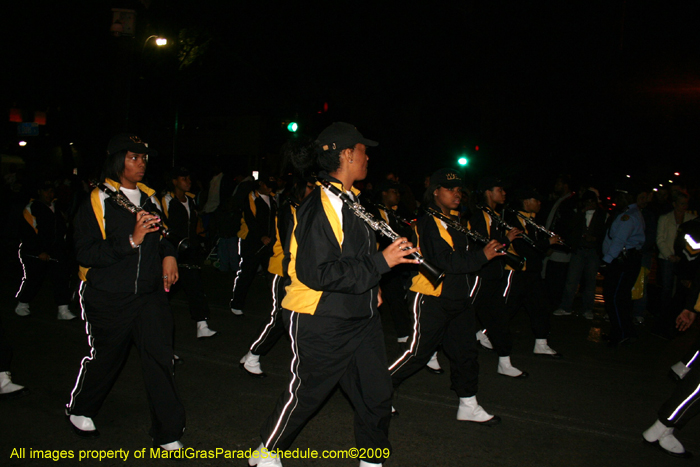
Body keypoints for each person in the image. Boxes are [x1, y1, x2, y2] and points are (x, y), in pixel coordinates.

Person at [247, 122, 417, 467]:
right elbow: (317, 272)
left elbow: (351, 257)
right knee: (309, 392)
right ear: (347, 154)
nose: (367, 157)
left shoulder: (349, 200)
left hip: (359, 313)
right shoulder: (320, 205)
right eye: (363, 150)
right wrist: (381, 263)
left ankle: (371, 461)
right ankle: (267, 450)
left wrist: (374, 286)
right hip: (320, 315)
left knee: (377, 393)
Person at [65, 133, 186, 450]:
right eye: (134, 157)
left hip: (149, 295)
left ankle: (168, 431)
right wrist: (130, 242)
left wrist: (169, 254)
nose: (141, 163)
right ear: (117, 160)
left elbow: (163, 236)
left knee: (160, 358)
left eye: (144, 157)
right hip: (109, 295)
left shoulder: (150, 197)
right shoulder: (97, 199)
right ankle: (81, 408)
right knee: (107, 357)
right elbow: (85, 253)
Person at [389, 168, 504, 424]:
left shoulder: (455, 220)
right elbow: (444, 261)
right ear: (436, 192)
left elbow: (463, 258)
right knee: (417, 353)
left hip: (458, 298)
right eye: (450, 189)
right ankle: (377, 392)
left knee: (465, 353)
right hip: (431, 297)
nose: (456, 194)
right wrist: (482, 256)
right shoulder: (429, 222)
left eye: (459, 189)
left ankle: (468, 404)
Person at [239, 176, 313, 377]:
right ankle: (254, 354)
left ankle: (252, 355)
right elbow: (291, 244)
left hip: (295, 271)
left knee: (296, 317)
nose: (314, 190)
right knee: (279, 316)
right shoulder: (289, 210)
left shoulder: (304, 208)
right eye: (310, 186)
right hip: (282, 270)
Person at [469, 177, 528, 378]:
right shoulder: (480, 214)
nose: (503, 193)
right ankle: (430, 351)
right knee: (459, 316)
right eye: (499, 189)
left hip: (494, 275)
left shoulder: (494, 214)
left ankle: (504, 362)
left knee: (500, 319)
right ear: (488, 191)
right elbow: (481, 244)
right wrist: (506, 239)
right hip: (479, 276)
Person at [504, 188, 563, 357]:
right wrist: (547, 243)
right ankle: (485, 334)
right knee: (507, 307)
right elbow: (524, 248)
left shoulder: (532, 220)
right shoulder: (515, 219)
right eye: (536, 200)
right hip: (518, 271)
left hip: (532, 271)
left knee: (540, 307)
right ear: (526, 201)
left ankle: (541, 343)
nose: (539, 204)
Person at [161, 167, 217, 339]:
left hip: (189, 252)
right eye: (183, 178)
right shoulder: (165, 201)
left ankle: (202, 324)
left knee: (195, 287)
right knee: (163, 292)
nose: (188, 181)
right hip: (170, 253)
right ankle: (157, 330)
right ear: (174, 181)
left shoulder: (191, 201)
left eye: (189, 178)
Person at [15, 180, 76, 320]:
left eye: (51, 191)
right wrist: (38, 251)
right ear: (39, 192)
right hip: (35, 253)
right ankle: (22, 304)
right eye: (46, 191)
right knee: (34, 279)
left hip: (55, 251)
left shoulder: (57, 208)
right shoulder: (32, 208)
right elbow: (27, 233)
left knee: (61, 278)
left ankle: (63, 309)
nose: (49, 194)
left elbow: (63, 230)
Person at [601, 186, 646, 346]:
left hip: (623, 261)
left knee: (614, 297)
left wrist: (606, 260)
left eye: (618, 198)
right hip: (628, 260)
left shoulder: (627, 216)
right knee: (622, 297)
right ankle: (625, 330)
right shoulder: (633, 213)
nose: (615, 201)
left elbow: (619, 241)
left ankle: (620, 332)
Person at [553, 189, 607, 319]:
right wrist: (581, 213)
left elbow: (605, 233)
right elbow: (569, 227)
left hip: (593, 252)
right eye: (587, 202)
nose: (590, 204)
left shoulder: (602, 215)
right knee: (571, 281)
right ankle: (565, 307)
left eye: (592, 201)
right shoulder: (578, 213)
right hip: (579, 251)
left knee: (590, 282)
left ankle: (587, 309)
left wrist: (595, 239)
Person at [230, 173, 278, 315]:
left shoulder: (273, 199)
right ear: (261, 184)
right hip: (251, 241)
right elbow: (250, 219)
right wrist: (261, 236)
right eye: (268, 186)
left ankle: (277, 305)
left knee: (272, 273)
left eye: (272, 187)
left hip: (268, 243)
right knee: (247, 272)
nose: (270, 189)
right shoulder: (251, 197)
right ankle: (236, 303)